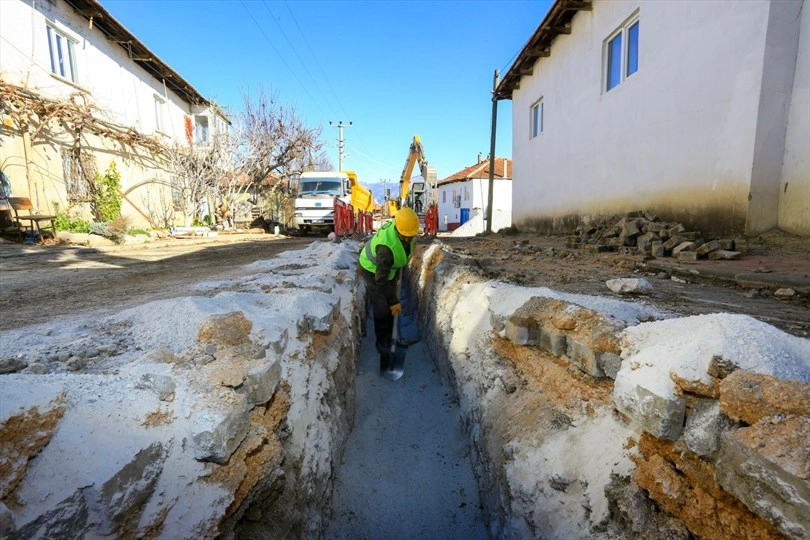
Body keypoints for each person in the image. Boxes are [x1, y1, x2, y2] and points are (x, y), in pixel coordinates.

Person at [358, 207, 420, 353]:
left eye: (410, 236)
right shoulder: (386, 248)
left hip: (388, 269)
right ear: (398, 229)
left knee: (390, 304)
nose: (407, 239)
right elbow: (380, 279)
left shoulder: (406, 228)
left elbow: (402, 251)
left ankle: (392, 337)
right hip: (371, 270)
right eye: (404, 236)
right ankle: (382, 343)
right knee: (382, 307)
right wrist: (393, 301)